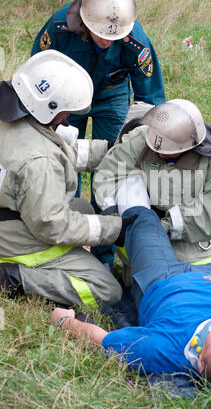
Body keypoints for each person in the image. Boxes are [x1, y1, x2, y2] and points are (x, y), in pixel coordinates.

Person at [50, 190, 211, 385]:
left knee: (143, 220)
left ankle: (114, 217)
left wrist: (65, 322)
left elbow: (105, 340)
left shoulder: (164, 351)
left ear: (200, 364)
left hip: (163, 279)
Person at [31, 0, 166, 270]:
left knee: (113, 164)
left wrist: (148, 138)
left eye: (113, 37)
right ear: (85, 22)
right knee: (63, 159)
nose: (107, 41)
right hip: (67, 97)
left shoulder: (135, 41)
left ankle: (103, 255)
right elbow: (37, 71)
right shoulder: (57, 28)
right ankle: (66, 242)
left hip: (111, 96)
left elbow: (150, 98)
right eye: (101, 35)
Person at [0, 50, 137, 308]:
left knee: (82, 208)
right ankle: (15, 277)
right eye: (65, 111)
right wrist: (115, 229)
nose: (67, 117)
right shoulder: (39, 162)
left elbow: (60, 151)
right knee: (107, 290)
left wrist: (114, 152)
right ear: (48, 108)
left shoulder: (15, 119)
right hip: (16, 240)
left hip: (11, 212)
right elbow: (52, 226)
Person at [93, 99, 211, 285]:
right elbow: (109, 175)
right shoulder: (141, 139)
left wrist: (164, 226)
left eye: (169, 151)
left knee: (187, 297)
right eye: (157, 149)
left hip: (195, 259)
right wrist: (117, 215)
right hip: (140, 257)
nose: (161, 154)